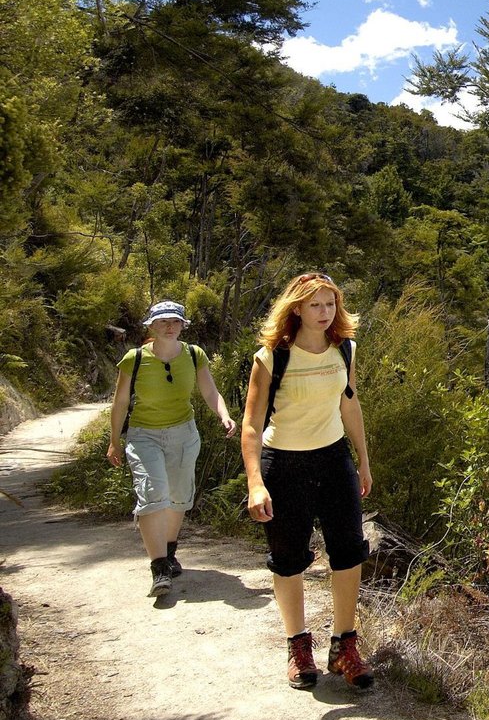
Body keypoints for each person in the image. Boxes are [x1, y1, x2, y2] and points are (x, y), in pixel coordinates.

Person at [240, 273, 374, 690]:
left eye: (330, 304)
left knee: (349, 551)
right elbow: (251, 424)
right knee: (288, 559)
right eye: (315, 305)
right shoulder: (271, 358)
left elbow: (349, 405)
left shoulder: (344, 349)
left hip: (334, 460)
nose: (324, 313)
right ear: (296, 308)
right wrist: (256, 482)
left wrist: (363, 462)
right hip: (285, 464)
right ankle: (298, 647)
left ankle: (344, 647)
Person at [107, 301, 237, 598]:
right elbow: (121, 403)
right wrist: (114, 440)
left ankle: (169, 551)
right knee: (153, 493)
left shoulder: (194, 355)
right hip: (144, 436)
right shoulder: (134, 358)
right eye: (162, 321)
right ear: (150, 326)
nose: (169, 326)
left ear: (182, 326)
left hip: (184, 433)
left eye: (175, 322)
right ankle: (159, 569)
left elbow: (209, 391)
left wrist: (224, 415)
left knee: (178, 496)